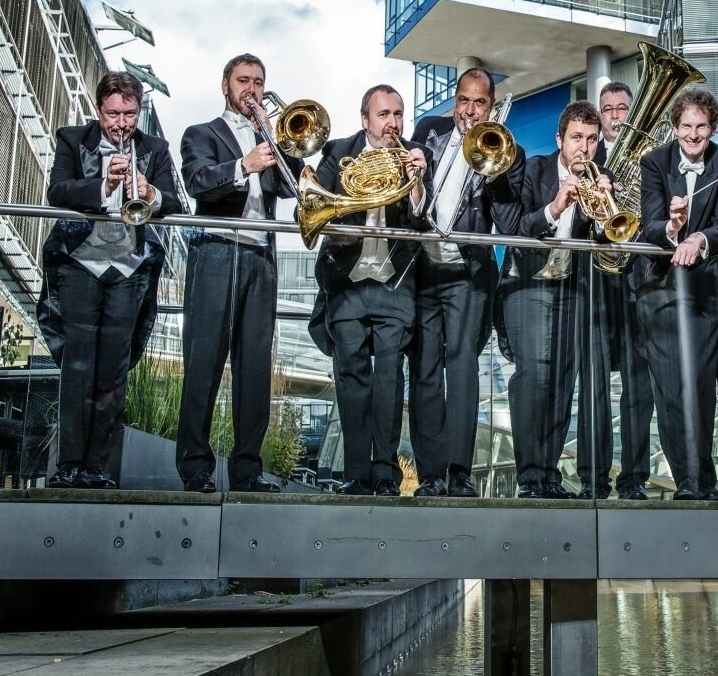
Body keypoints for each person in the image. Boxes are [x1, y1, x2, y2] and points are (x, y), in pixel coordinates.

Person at [38, 72, 182, 489]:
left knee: (113, 371)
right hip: (80, 263)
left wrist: (149, 193)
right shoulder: (72, 139)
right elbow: (57, 191)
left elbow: (173, 201)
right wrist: (104, 185)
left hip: (129, 269)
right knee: (77, 366)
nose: (121, 123)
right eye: (113, 114)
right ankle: (68, 464)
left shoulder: (154, 149)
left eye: (129, 114)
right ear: (99, 109)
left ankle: (96, 467)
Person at [177, 53, 303, 493]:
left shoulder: (269, 135)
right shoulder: (201, 133)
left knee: (254, 369)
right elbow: (197, 181)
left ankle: (247, 470)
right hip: (216, 251)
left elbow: (294, 188)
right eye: (243, 80)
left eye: (258, 82)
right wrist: (243, 165)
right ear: (225, 86)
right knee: (204, 363)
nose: (252, 89)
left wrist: (279, 141)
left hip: (260, 258)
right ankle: (195, 468)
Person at [308, 84, 429, 496]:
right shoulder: (338, 152)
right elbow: (318, 206)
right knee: (351, 378)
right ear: (365, 120)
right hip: (347, 283)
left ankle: (386, 473)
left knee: (390, 380)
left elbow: (421, 219)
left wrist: (416, 184)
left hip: (393, 284)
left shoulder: (413, 155)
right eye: (384, 114)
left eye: (398, 114)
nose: (393, 122)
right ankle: (356, 474)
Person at [410, 67, 525, 497]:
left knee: (462, 367)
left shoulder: (505, 149)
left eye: (479, 103)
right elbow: (408, 193)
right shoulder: (429, 130)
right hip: (424, 265)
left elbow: (509, 223)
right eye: (463, 100)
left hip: (467, 271)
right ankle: (429, 474)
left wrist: (494, 170)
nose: (469, 111)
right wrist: (414, 173)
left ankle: (458, 471)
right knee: (424, 369)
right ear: (455, 101)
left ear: (491, 107)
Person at [502, 101, 614, 498]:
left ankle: (548, 475)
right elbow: (517, 227)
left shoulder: (603, 179)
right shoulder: (533, 170)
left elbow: (609, 242)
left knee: (562, 383)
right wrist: (555, 207)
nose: (584, 147)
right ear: (559, 139)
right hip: (529, 284)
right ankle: (530, 478)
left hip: (571, 288)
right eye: (576, 138)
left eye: (592, 139)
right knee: (535, 378)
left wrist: (604, 213)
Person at [636, 88, 718, 501]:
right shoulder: (654, 162)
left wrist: (698, 237)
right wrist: (673, 227)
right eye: (685, 126)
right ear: (675, 127)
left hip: (701, 292)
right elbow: (649, 224)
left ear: (712, 127)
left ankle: (702, 480)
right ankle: (687, 480)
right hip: (660, 290)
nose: (693, 135)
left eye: (701, 126)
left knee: (699, 387)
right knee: (670, 390)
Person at [592, 81, 652, 499]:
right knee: (595, 383)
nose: (615, 115)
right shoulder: (588, 157)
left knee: (637, 384)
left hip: (636, 279)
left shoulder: (650, 158)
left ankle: (633, 477)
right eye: (608, 109)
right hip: (597, 280)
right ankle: (594, 476)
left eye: (622, 108)